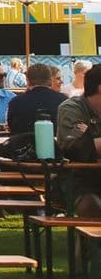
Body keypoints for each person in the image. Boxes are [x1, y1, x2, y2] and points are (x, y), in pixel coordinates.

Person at [55, 65, 101, 217]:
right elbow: (77, 149)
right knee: (92, 204)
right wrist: (91, 144)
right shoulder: (71, 108)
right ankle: (87, 240)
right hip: (78, 178)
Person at [5, 63, 67, 154]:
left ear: (27, 80)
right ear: (50, 80)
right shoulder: (63, 100)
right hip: (56, 154)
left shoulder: (15, 102)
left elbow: (11, 126)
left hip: (22, 155)